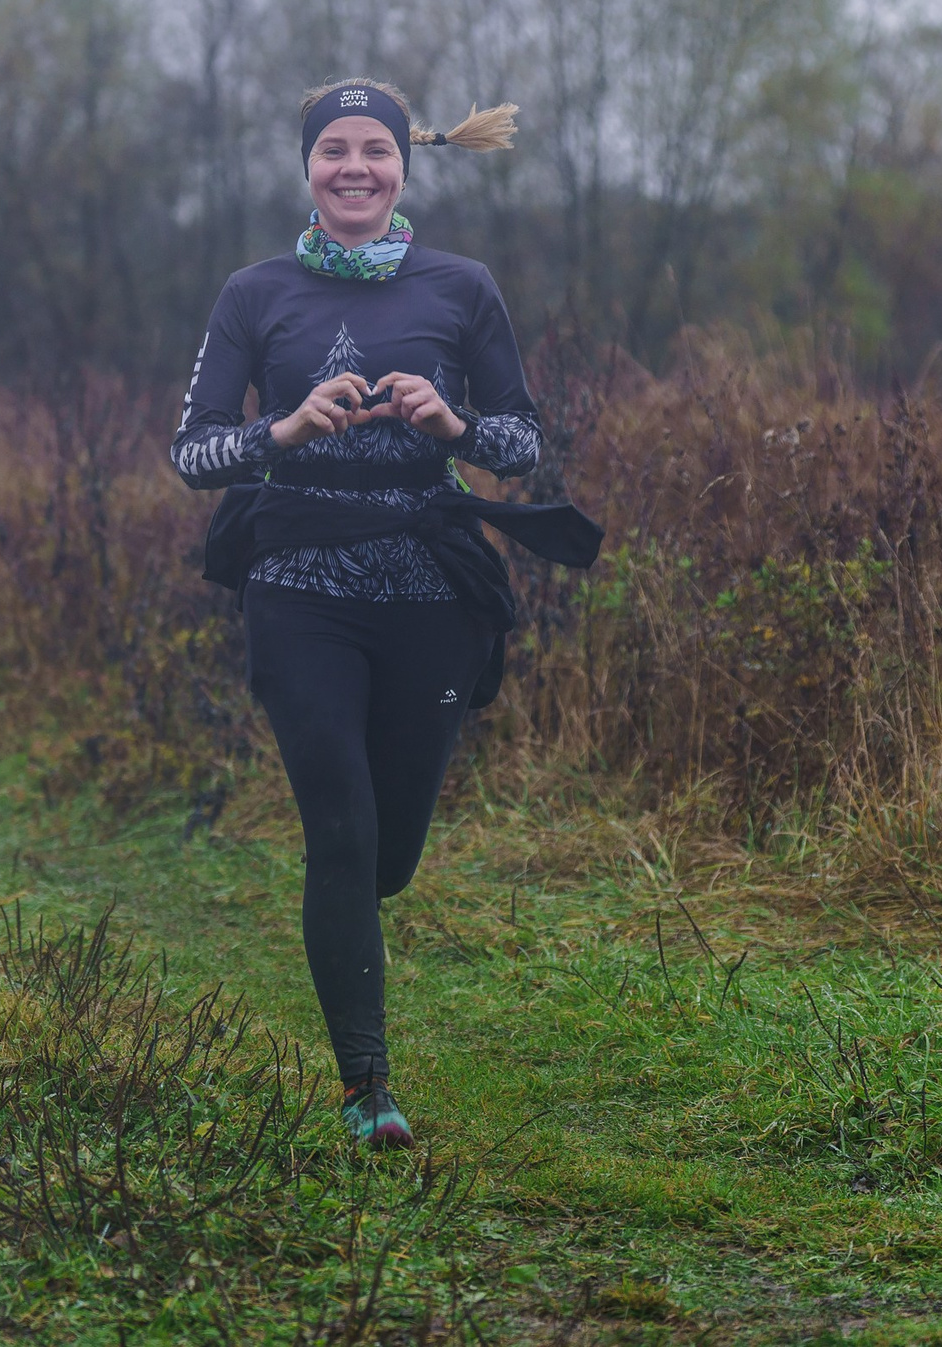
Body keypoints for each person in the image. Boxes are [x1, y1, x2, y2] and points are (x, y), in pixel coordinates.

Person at [171, 79, 598, 1150]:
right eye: (332, 152)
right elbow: (191, 454)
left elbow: (521, 444)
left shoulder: (461, 287)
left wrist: (450, 420)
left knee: (388, 859)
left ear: (405, 164)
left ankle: (362, 969)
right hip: (299, 585)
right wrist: (282, 433)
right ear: (305, 166)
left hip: (431, 591)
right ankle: (368, 1089)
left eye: (372, 150)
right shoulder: (253, 292)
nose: (352, 169)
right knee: (341, 833)